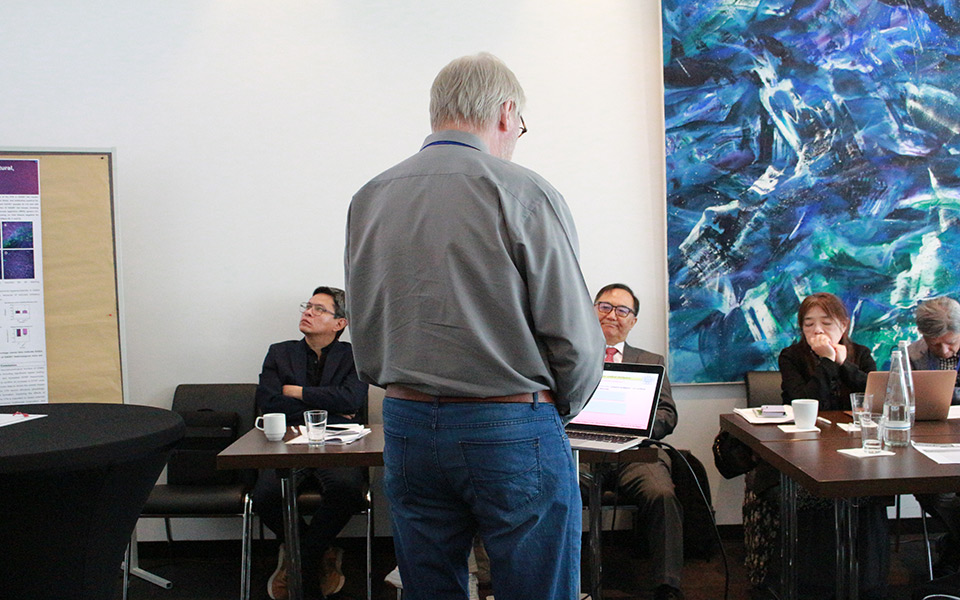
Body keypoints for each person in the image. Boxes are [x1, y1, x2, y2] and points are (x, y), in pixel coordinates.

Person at [344, 52, 604, 600]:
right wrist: (558, 408)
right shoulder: (523, 191)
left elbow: (364, 327)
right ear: (507, 113)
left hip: (407, 422)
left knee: (428, 587)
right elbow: (575, 338)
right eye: (521, 126)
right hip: (509, 422)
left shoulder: (370, 195)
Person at [251, 286, 368, 600]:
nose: (308, 312)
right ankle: (315, 554)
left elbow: (352, 399)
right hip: (288, 440)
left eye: (319, 309)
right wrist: (330, 406)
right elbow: (269, 403)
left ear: (339, 323)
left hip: (339, 442)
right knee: (265, 495)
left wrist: (297, 391)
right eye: (308, 306)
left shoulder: (354, 356)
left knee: (347, 489)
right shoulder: (279, 352)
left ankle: (300, 560)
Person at [776, 292, 886, 599]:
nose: (817, 330)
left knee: (871, 490)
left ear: (844, 324)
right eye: (808, 323)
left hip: (857, 446)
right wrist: (825, 361)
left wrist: (842, 363)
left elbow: (875, 395)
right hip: (808, 448)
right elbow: (807, 402)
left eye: (826, 322)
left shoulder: (861, 353)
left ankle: (869, 580)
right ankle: (817, 583)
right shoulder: (791, 356)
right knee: (816, 491)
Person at [592, 283, 682, 600]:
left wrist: (638, 426)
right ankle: (558, 579)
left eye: (622, 310)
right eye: (604, 307)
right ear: (591, 311)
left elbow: (668, 414)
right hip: (580, 454)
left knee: (662, 494)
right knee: (551, 491)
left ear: (633, 320)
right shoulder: (570, 357)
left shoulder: (651, 360)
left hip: (634, 454)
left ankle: (667, 585)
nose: (612, 315)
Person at [909, 297, 960, 575]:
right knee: (940, 494)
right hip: (927, 445)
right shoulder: (911, 356)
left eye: (951, 343)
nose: (944, 350)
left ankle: (953, 549)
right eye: (935, 344)